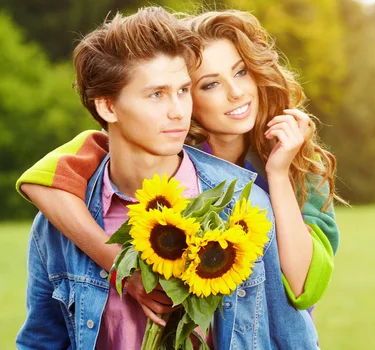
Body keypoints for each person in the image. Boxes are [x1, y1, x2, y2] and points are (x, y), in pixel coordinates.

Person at [16, 7, 319, 350]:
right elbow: (41, 341)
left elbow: (293, 337)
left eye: (184, 90)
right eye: (157, 94)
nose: (178, 111)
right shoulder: (59, 224)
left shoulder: (246, 206)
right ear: (108, 108)